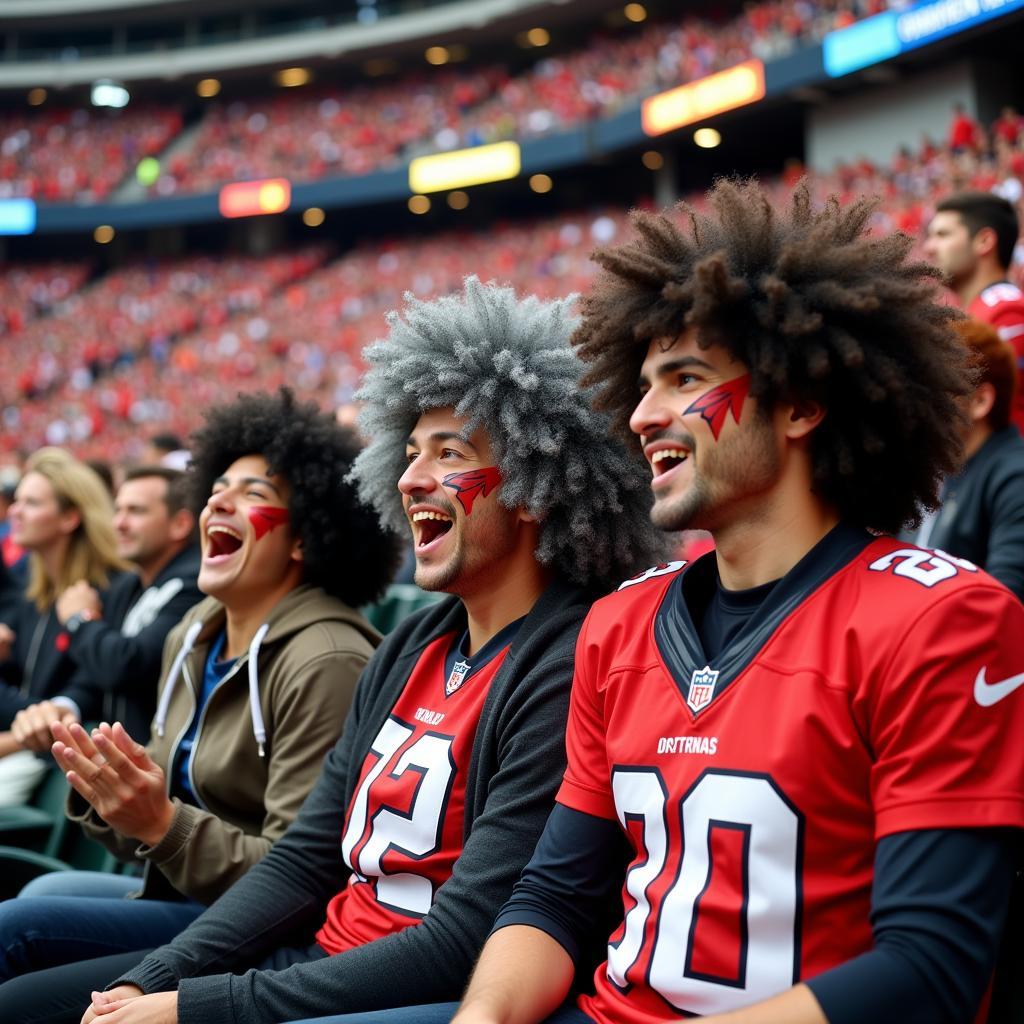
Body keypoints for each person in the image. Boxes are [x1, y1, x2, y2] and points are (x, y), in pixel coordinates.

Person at [351, 181, 1024, 1024]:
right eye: (642, 383)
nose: (641, 416)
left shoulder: (944, 620)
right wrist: (480, 1018)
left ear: (803, 402)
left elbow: (932, 970)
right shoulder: (620, 624)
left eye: (684, 378)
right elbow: (555, 899)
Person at [41, 277, 663, 1024]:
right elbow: (304, 860)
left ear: (532, 484)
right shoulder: (412, 645)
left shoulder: (566, 661)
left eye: (449, 452)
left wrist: (202, 1005)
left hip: (417, 992)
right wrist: (158, 976)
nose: (409, 477)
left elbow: (466, 938)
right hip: (318, 959)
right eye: (407, 453)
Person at [0, 389, 399, 1017]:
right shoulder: (196, 631)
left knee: (16, 937)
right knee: (42, 892)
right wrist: (106, 786)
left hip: (269, 933)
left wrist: (159, 822)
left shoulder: (327, 659)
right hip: (185, 896)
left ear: (305, 538)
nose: (217, 499)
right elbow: (151, 833)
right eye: (218, 486)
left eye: (253, 495)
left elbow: (302, 878)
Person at [10, 466, 203, 751]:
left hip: (161, 771)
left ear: (180, 524)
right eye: (118, 510)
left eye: (136, 511)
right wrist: (66, 706)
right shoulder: (131, 585)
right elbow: (95, 676)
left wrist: (79, 620)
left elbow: (128, 666)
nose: (119, 523)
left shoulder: (194, 582)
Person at [0, 448, 129, 805]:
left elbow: (86, 695)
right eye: (17, 500)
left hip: (56, 768)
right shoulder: (29, 582)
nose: (15, 511)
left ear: (70, 517)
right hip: (26, 749)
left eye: (31, 503)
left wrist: (20, 736)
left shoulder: (109, 589)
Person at [907, 318, 1024, 600]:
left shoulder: (1015, 476)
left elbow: (1006, 599)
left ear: (981, 401)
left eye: (937, 383)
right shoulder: (929, 470)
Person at [925, 190, 1024, 432]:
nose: (929, 247)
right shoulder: (979, 312)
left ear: (984, 241)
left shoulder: (1007, 313)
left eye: (942, 234)